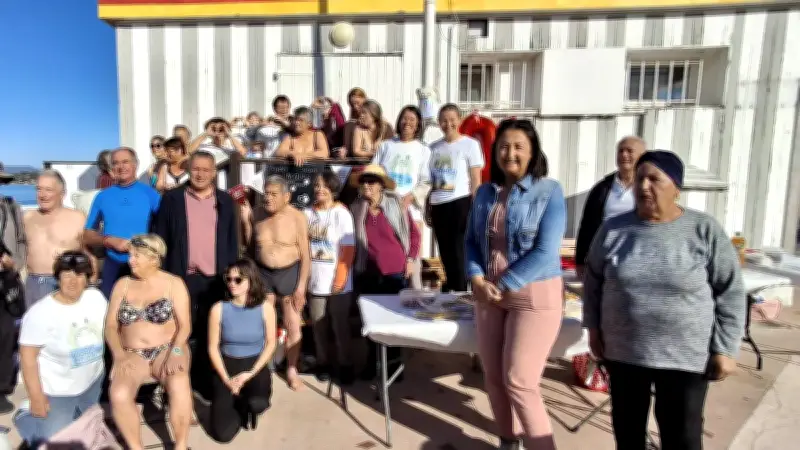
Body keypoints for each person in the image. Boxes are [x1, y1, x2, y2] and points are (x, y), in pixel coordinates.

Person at [583, 150, 745, 450]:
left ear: (676, 188)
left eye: (654, 179)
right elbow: (593, 281)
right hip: (625, 353)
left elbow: (730, 291)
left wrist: (726, 348)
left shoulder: (703, 230)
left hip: (685, 356)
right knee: (628, 435)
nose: (644, 186)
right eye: (640, 178)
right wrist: (593, 329)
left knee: (682, 437)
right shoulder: (613, 230)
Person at [464, 119, 566, 450]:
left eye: (519, 146)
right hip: (488, 294)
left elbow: (546, 251)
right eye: (504, 146)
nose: (510, 153)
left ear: (533, 151)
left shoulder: (549, 191)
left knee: (520, 382)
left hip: (532, 295)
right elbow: (470, 242)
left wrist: (502, 282)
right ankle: (508, 441)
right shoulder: (484, 192)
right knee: (494, 379)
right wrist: (477, 278)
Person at [153, 150, 240, 398]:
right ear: (189, 170)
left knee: (210, 332)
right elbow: (161, 237)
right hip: (182, 277)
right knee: (180, 330)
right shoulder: (172, 199)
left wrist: (232, 276)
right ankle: (179, 383)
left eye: (206, 169)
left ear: (214, 173)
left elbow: (232, 241)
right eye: (196, 169)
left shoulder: (225, 201)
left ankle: (204, 382)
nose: (200, 174)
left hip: (215, 279)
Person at [105, 234, 193, 450]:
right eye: (130, 255)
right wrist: (119, 355)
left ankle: (181, 445)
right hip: (132, 352)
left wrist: (176, 352)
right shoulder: (122, 285)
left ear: (154, 258)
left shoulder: (174, 284)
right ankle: (136, 446)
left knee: (178, 382)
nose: (130, 260)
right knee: (119, 393)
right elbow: (110, 326)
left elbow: (185, 326)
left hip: (169, 348)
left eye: (136, 256)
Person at [14, 251, 106, 447]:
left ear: (88, 278)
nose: (73, 281)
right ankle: (25, 416)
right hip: (57, 391)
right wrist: (37, 397)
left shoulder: (96, 298)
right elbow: (28, 358)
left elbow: (114, 331)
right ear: (57, 277)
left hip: (91, 383)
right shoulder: (40, 313)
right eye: (67, 274)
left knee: (87, 438)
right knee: (54, 445)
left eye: (80, 275)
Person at [240, 175, 310, 391]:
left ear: (286, 197)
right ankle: (264, 365)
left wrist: (301, 288)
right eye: (266, 193)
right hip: (264, 273)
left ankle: (291, 368)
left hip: (290, 272)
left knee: (292, 323)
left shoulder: (297, 217)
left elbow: (306, 256)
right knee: (264, 322)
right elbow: (249, 246)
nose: (267, 198)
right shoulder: (257, 213)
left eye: (273, 194)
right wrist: (245, 221)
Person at [351, 164, 420, 380]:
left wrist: (410, 259)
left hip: (395, 272)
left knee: (393, 321)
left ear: (381, 185)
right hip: (368, 271)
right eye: (364, 181)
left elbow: (415, 236)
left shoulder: (396, 205)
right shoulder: (356, 208)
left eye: (371, 181)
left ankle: (393, 367)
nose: (366, 185)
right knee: (370, 322)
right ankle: (372, 365)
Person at [207, 259, 277, 442]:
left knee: (258, 403)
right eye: (228, 279)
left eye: (238, 280)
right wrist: (226, 379)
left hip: (254, 365)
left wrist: (250, 373)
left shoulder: (265, 308)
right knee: (223, 434)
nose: (232, 284)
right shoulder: (218, 309)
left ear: (250, 281)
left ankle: (247, 403)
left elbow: (271, 343)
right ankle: (236, 403)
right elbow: (212, 347)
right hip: (227, 365)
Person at [83, 147, 161, 299]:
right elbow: (87, 236)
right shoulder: (103, 196)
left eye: (126, 162)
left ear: (136, 164)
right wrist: (109, 240)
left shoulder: (151, 195)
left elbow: (165, 230)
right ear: (111, 167)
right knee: (110, 310)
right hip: (112, 264)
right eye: (116, 163)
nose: (121, 167)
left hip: (144, 264)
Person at [303, 171, 357, 384]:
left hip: (338, 282)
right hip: (315, 280)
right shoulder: (306, 213)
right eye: (316, 185)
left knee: (340, 326)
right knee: (318, 325)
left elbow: (348, 249)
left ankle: (345, 364)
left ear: (333, 189)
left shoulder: (341, 213)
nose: (319, 190)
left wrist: (340, 279)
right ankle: (323, 362)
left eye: (324, 186)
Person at [372, 105, 431, 289]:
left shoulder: (423, 150)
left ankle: (416, 293)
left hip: (409, 207)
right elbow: (375, 173)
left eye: (412, 119)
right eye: (405, 118)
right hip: (386, 204)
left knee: (413, 254)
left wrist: (410, 197)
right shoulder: (386, 145)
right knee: (388, 250)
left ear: (418, 124)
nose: (408, 123)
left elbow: (426, 180)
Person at [426, 104, 484, 292]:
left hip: (460, 202)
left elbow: (476, 178)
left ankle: (460, 291)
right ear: (438, 122)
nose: (448, 124)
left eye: (452, 119)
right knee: (445, 251)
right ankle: (452, 286)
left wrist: (476, 206)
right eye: (443, 120)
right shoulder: (433, 148)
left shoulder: (470, 144)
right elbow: (428, 181)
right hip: (438, 203)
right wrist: (428, 205)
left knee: (459, 251)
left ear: (459, 120)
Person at [574, 136, 646, 276]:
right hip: (605, 259)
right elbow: (586, 227)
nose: (624, 155)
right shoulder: (602, 189)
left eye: (629, 151)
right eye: (620, 151)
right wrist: (580, 261)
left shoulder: (647, 188)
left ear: (642, 156)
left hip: (637, 260)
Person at [24, 170, 95, 309]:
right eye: (39, 189)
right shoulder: (27, 217)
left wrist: (91, 288)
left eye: (48, 190)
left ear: (62, 194)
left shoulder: (78, 218)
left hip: (67, 282)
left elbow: (89, 255)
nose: (42, 195)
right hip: (33, 284)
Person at [0, 163, 26, 414]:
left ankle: (2, 390)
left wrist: (15, 263)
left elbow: (20, 241)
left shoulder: (10, 207)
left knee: (7, 337)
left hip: (5, 281)